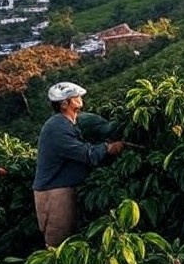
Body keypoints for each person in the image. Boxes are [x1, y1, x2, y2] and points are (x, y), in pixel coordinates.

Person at [33, 82, 125, 247]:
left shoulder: (69, 122)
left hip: (64, 188)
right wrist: (108, 148)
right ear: (64, 104)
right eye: (75, 97)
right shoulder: (57, 127)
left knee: (71, 239)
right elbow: (86, 154)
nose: (80, 98)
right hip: (54, 192)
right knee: (58, 243)